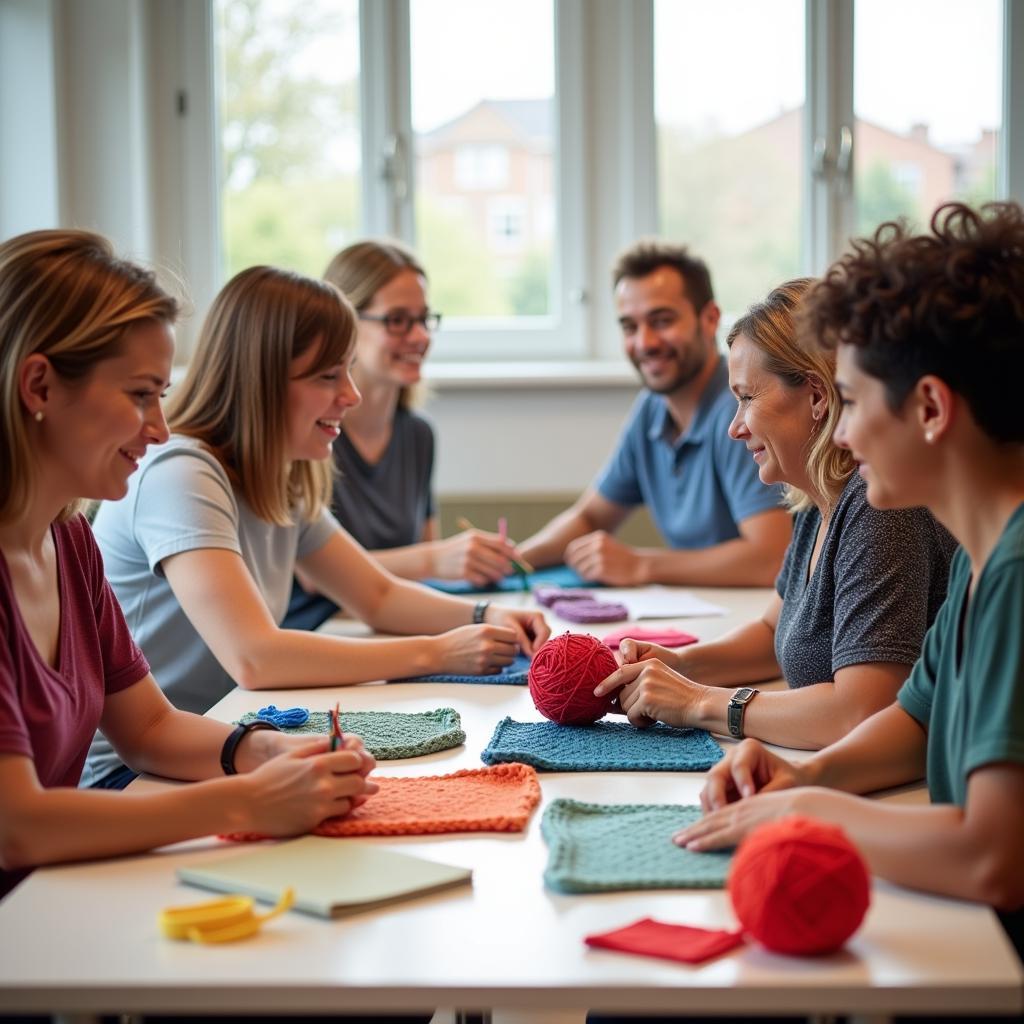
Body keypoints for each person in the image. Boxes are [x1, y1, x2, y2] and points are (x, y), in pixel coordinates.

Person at [673, 202, 1024, 960]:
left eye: (856, 402)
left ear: (930, 407)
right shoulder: (976, 553)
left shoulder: (1016, 573)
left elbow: (993, 858)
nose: (846, 432)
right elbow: (913, 726)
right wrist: (804, 776)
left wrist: (801, 816)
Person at [0, 230, 377, 896]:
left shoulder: (70, 543)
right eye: (141, 395)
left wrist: (259, 750)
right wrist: (247, 802)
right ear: (40, 385)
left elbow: (145, 727)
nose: (159, 427)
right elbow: (16, 825)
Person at [88, 263, 549, 789]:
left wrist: (488, 615)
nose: (350, 395)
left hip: (220, 742)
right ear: (259, 382)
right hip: (134, 773)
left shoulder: (280, 473)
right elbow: (255, 657)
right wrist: (438, 651)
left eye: (348, 371)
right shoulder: (181, 472)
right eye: (329, 376)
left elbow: (375, 595)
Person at [595, 278, 956, 750]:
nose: (734, 427)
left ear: (817, 396)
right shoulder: (818, 499)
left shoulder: (878, 508)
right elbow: (773, 634)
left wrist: (699, 702)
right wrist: (675, 668)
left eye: (747, 398)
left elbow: (859, 712)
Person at [517, 242, 791, 587]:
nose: (644, 342)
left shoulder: (737, 412)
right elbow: (590, 517)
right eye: (630, 327)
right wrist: (513, 560)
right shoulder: (652, 408)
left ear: (710, 319)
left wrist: (641, 565)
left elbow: (770, 560)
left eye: (661, 321)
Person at [284, 239, 522, 631]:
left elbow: (424, 567)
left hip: (387, 627)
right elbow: (313, 576)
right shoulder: (308, 435)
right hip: (323, 633)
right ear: (344, 323)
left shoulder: (418, 435)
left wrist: (464, 563)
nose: (420, 337)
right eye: (397, 320)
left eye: (424, 319)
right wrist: (436, 559)